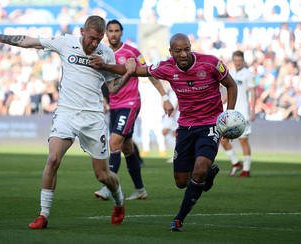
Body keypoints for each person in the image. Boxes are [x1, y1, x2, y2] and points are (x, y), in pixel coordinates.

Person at [0, 16, 133, 229]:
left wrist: (127, 73)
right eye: (91, 38)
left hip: (93, 118)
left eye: (98, 39)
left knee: (103, 175)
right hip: (66, 113)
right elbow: (29, 41)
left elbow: (113, 88)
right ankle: (43, 214)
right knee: (52, 159)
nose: (94, 43)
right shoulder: (65, 42)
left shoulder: (106, 53)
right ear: (82, 31)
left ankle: (119, 201)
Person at [90, 33, 238, 231]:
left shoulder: (210, 63)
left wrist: (228, 117)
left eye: (187, 49)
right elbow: (136, 71)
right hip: (185, 126)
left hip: (210, 125)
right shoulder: (166, 67)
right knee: (181, 182)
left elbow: (231, 85)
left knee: (200, 167)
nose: (184, 54)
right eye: (179, 51)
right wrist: (105, 66)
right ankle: (207, 176)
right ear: (171, 52)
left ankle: (179, 219)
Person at [94, 20, 173, 201]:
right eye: (110, 31)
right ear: (106, 33)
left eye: (116, 31)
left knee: (114, 143)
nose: (113, 34)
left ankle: (108, 187)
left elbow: (150, 74)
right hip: (114, 105)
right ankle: (140, 189)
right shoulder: (103, 53)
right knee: (127, 148)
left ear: (121, 32)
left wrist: (165, 97)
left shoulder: (132, 52)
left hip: (130, 104)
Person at [220, 51, 256, 177]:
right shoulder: (230, 73)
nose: (237, 62)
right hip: (230, 112)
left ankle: (246, 169)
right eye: (235, 60)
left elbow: (253, 92)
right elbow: (226, 93)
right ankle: (235, 163)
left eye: (239, 60)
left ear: (243, 60)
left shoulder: (248, 74)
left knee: (243, 141)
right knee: (223, 140)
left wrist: (253, 110)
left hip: (243, 112)